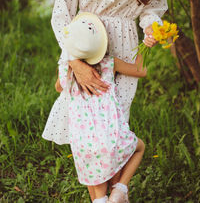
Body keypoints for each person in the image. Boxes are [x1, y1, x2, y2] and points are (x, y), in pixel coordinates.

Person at [43, 0, 168, 202]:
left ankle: (118, 192)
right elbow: (61, 14)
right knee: (87, 133)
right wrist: (74, 60)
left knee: (115, 128)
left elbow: (153, 7)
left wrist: (152, 27)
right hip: (83, 45)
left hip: (122, 47)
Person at [43, 12, 146, 203]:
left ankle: (105, 198)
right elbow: (141, 70)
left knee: (97, 196)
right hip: (110, 136)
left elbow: (58, 87)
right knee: (140, 148)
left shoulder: (68, 68)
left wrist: (65, 65)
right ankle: (120, 190)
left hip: (82, 144)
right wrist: (144, 46)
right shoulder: (109, 64)